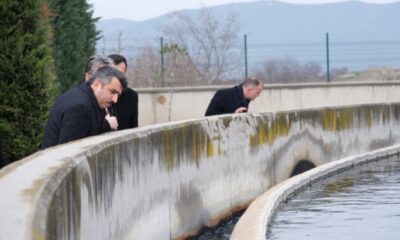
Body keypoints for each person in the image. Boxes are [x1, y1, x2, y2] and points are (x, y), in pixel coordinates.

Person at [41, 65, 127, 149]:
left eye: (117, 95)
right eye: (112, 92)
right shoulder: (80, 107)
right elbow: (68, 152)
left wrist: (107, 125)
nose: (115, 100)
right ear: (96, 84)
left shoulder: (87, 99)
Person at [107, 54, 139, 129]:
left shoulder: (132, 96)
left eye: (121, 74)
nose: (118, 77)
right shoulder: (98, 95)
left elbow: (133, 127)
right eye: (114, 73)